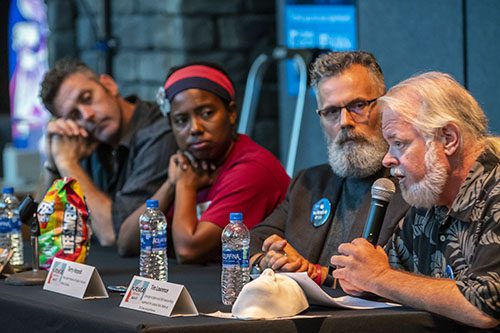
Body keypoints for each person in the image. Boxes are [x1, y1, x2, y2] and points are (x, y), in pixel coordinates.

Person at [331, 72, 499, 328]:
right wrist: (363, 279)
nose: (387, 159)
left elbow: (485, 307)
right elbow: (394, 273)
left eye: (398, 143)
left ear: (448, 139)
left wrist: (378, 278)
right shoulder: (429, 200)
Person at [249, 51, 409, 284]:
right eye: (332, 112)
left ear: (384, 107)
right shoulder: (308, 183)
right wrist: (269, 260)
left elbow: (402, 278)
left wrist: (315, 274)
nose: (344, 122)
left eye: (358, 105)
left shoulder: (411, 185)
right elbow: (256, 238)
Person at [116, 63, 290, 262]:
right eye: (181, 120)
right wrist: (170, 185)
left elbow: (188, 250)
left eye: (206, 113)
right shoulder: (190, 167)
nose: (195, 128)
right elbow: (126, 243)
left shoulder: (253, 168)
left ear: (231, 113)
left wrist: (185, 186)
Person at [39, 58, 177, 247]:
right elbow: (41, 233)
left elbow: (112, 233)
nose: (87, 115)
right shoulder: (82, 140)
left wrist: (68, 164)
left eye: (87, 98)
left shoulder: (160, 132)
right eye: (74, 115)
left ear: (109, 85)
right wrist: (53, 163)